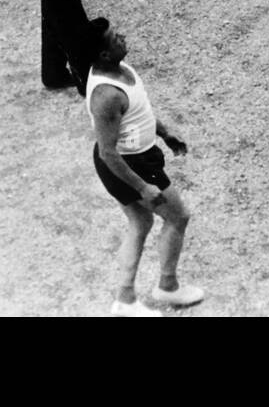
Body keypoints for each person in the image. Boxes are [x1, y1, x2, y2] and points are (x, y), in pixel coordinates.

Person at [83, 17, 203, 317]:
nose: (121, 36)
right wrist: (142, 186)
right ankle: (168, 286)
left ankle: (125, 299)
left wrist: (164, 133)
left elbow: (140, 111)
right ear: (104, 55)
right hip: (130, 166)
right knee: (178, 217)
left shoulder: (122, 69)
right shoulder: (106, 96)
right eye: (114, 38)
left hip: (140, 158)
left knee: (141, 223)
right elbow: (109, 153)